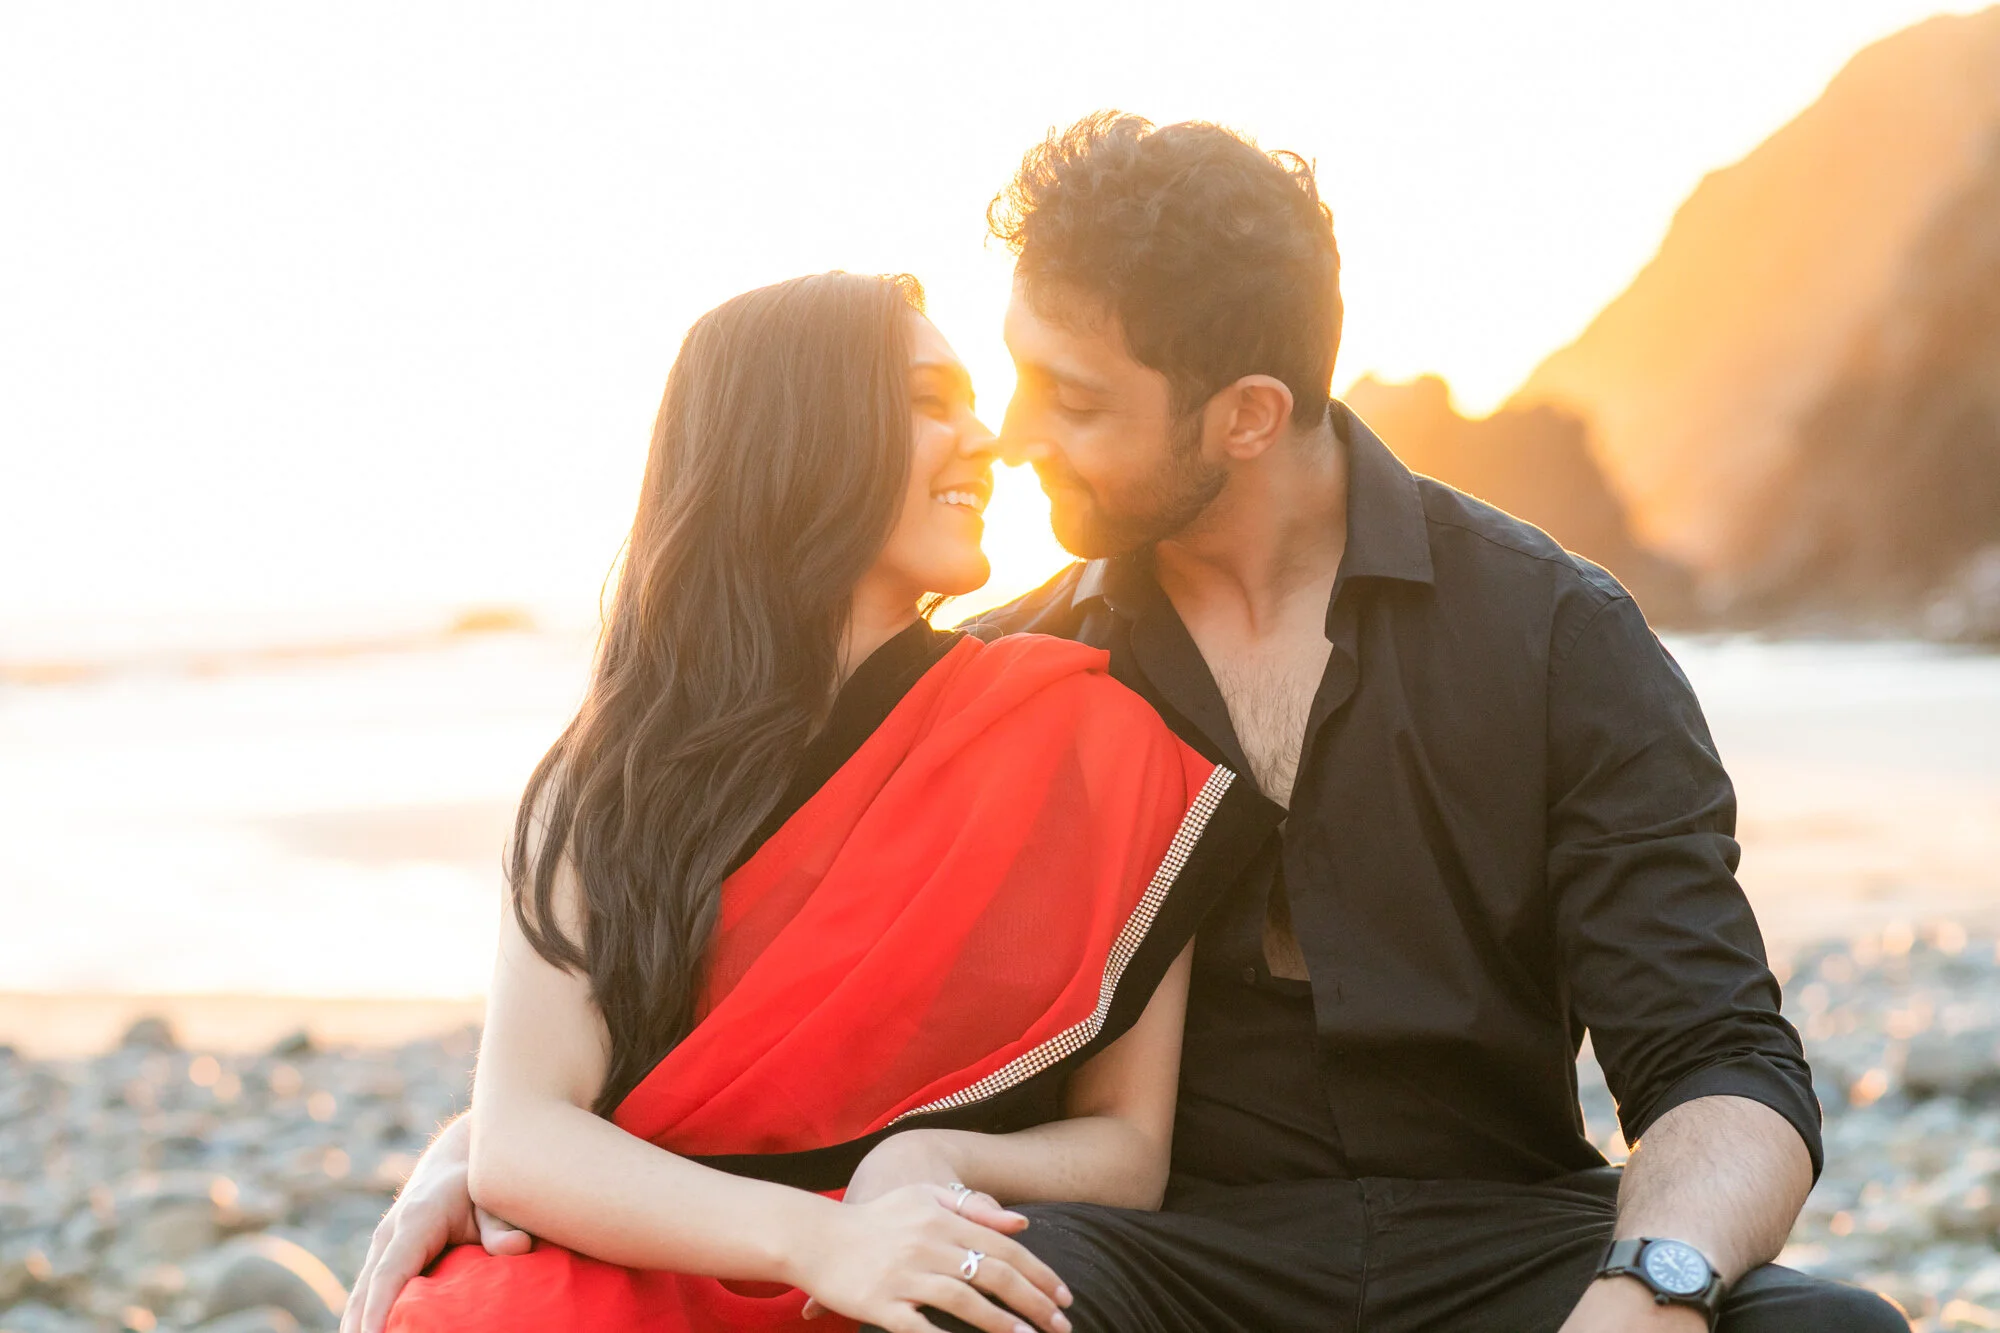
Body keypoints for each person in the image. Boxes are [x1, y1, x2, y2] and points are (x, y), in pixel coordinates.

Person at [353, 120, 1910, 1332]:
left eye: (1071, 397)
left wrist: (1648, 1291)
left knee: (1833, 1325)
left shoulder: (1562, 638)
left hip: (1497, 1241)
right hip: (1155, 1264)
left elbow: (1719, 1060)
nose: (1015, 434)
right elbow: (796, 996)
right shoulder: (1020, 678)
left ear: (1242, 415)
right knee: (949, 1308)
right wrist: (497, 1156)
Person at [364, 271, 1279, 1333]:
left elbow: (1127, 1147)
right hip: (667, 1242)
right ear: (800, 436)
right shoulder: (613, 772)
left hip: (916, 1240)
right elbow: (522, 1133)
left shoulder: (1084, 742)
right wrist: (819, 1241)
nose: (984, 437)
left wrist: (926, 1160)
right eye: (932, 401)